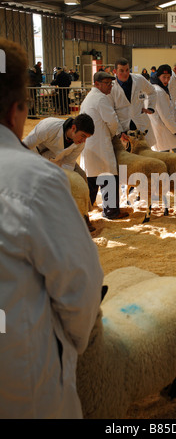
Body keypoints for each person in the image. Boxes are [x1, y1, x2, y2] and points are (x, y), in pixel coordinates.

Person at [0, 37, 103, 419]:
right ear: (17, 110)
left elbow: (68, 164)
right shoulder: (37, 162)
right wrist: (67, 346)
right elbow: (80, 288)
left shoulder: (70, 151)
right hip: (21, 377)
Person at [80, 70, 129, 220]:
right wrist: (117, 134)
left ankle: (82, 213)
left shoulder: (90, 97)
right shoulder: (101, 99)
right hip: (100, 144)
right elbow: (112, 121)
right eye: (107, 84)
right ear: (97, 84)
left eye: (111, 83)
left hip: (90, 145)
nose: (110, 87)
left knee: (92, 179)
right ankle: (111, 211)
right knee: (108, 177)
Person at [110, 57, 157, 147]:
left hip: (141, 124)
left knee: (146, 155)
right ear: (115, 71)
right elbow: (111, 112)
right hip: (124, 128)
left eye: (127, 70)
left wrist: (151, 107)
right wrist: (119, 132)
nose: (125, 73)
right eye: (121, 71)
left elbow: (152, 91)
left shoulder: (139, 79)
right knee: (129, 158)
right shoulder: (111, 87)